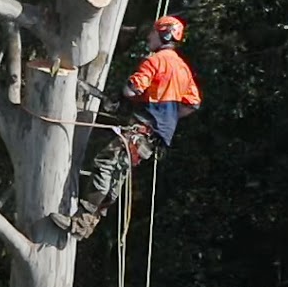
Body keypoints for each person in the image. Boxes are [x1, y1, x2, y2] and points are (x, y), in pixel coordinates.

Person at [50, 15, 202, 239]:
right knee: (116, 175)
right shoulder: (182, 68)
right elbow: (193, 103)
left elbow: (132, 90)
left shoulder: (156, 61)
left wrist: (126, 100)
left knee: (104, 164)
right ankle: (86, 224)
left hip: (142, 128)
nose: (149, 36)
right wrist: (166, 116)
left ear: (164, 35)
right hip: (154, 136)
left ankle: (82, 221)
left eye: (153, 32)